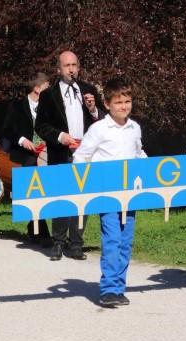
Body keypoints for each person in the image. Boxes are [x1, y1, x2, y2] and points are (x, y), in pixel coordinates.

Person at [73, 78, 147, 308]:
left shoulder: (135, 128)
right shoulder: (98, 129)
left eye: (127, 101)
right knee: (112, 238)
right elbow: (81, 157)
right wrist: (86, 183)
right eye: (118, 102)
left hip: (129, 195)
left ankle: (119, 286)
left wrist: (148, 168)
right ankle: (108, 289)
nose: (124, 106)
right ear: (107, 104)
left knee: (125, 241)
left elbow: (138, 153)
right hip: (105, 194)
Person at [35, 50, 103, 261]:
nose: (71, 69)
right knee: (62, 197)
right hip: (61, 150)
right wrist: (60, 136)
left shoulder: (88, 90)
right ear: (58, 69)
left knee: (82, 197)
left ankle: (76, 243)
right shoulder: (48, 95)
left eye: (74, 65)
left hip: (85, 152)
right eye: (67, 65)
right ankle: (58, 242)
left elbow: (102, 122)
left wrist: (93, 110)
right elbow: (41, 126)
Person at [3, 72, 52, 245]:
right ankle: (41, 233)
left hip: (46, 154)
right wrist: (23, 141)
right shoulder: (17, 106)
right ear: (37, 89)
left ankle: (36, 230)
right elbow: (7, 130)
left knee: (45, 193)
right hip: (26, 156)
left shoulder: (50, 107)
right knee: (33, 193)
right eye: (47, 88)